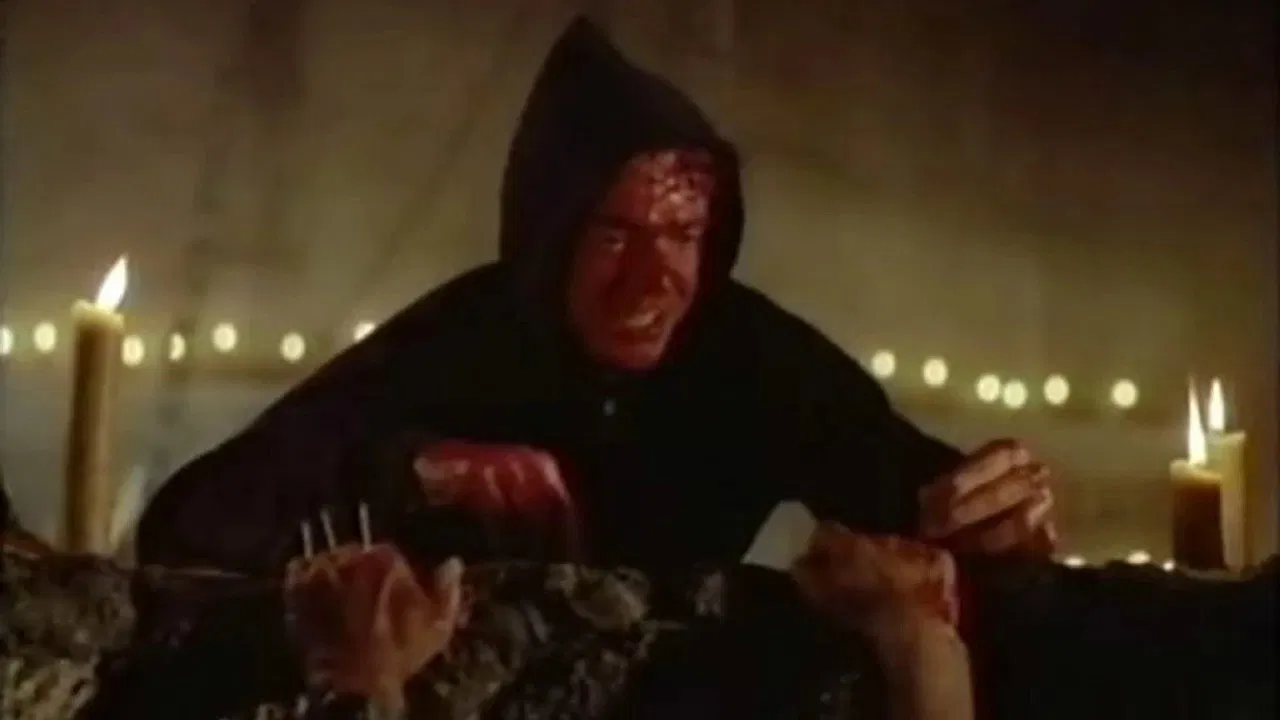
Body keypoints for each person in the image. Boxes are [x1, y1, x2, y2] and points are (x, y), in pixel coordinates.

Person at [137, 18, 1056, 578]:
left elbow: (914, 494)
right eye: (616, 235)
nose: (654, 283)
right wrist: (412, 470)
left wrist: (997, 514)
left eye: (683, 236)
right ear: (552, 235)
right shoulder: (457, 340)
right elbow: (191, 523)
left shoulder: (753, 357)